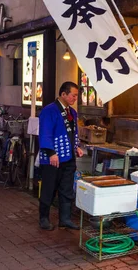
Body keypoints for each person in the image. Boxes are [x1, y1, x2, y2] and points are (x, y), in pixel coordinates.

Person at [38, 81, 84, 231]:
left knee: (66, 188)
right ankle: (43, 218)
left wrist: (76, 147)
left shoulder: (72, 112)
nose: (75, 98)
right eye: (73, 95)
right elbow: (45, 133)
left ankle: (65, 218)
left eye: (77, 96)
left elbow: (74, 132)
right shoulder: (49, 110)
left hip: (69, 157)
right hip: (53, 157)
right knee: (49, 188)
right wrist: (51, 152)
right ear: (63, 94)